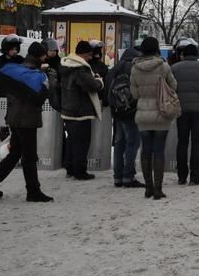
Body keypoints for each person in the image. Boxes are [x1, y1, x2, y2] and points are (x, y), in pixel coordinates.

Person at [0, 42, 56, 202]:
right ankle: (33, 191)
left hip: (14, 117)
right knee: (29, 156)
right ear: (40, 56)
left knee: (15, 153)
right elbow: (45, 93)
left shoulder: (16, 70)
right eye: (43, 55)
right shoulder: (38, 76)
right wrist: (48, 74)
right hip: (27, 120)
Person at [130, 36, 178, 200]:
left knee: (145, 151)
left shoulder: (135, 68)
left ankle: (148, 188)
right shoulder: (164, 66)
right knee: (159, 151)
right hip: (161, 113)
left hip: (143, 114)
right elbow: (174, 86)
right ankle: (158, 189)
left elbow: (134, 94)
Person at [170, 37, 199, 185]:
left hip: (181, 110)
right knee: (197, 142)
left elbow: (169, 89)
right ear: (197, 55)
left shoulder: (175, 68)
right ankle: (195, 176)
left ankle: (181, 176)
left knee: (182, 142)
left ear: (183, 54)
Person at [60, 40, 104, 180]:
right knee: (82, 142)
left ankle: (70, 168)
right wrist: (99, 81)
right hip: (81, 111)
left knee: (72, 140)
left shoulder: (66, 65)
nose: (91, 58)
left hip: (68, 109)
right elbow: (90, 85)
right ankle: (80, 171)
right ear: (84, 54)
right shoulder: (80, 68)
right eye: (89, 55)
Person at [106, 44, 144, 188]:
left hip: (117, 113)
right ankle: (128, 176)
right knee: (132, 144)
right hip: (131, 112)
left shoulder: (114, 69)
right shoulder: (135, 69)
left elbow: (107, 92)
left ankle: (118, 177)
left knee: (119, 144)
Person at [89, 39, 110, 108]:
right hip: (91, 99)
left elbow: (107, 82)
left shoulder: (102, 66)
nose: (98, 53)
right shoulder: (86, 65)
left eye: (99, 50)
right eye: (96, 50)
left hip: (99, 98)